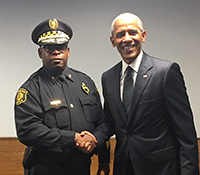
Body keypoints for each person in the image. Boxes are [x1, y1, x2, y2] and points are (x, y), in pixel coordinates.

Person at [100, 12, 199, 175]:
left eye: (132, 32)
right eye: (120, 35)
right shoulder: (108, 77)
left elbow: (185, 133)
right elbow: (110, 122)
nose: (127, 39)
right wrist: (94, 138)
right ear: (113, 41)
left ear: (143, 36)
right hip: (124, 168)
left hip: (161, 169)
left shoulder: (165, 72)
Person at [14, 18, 109, 175]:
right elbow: (27, 130)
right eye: (50, 48)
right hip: (47, 168)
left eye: (61, 47)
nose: (56, 52)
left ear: (68, 51)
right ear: (40, 52)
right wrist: (73, 138)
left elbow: (103, 121)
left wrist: (96, 143)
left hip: (81, 168)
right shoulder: (30, 89)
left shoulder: (85, 82)